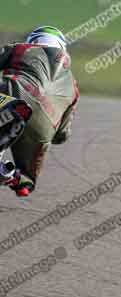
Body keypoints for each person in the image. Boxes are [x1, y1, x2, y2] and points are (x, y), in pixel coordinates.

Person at [0, 26, 79, 197]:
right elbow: (62, 135)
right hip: (42, 129)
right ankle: (13, 177)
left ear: (33, 41)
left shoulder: (21, 49)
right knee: (27, 181)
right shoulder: (73, 85)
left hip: (13, 98)